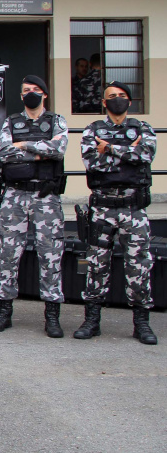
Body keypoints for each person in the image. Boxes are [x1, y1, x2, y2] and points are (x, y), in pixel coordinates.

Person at [75, 81, 157, 345]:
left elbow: (146, 154)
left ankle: (141, 324)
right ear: (103, 102)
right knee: (97, 264)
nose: (117, 100)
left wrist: (109, 148)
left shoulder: (143, 128)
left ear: (129, 102)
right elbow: (92, 162)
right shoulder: (92, 130)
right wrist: (128, 153)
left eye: (122, 96)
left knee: (139, 265)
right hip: (102, 207)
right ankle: (92, 321)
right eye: (112, 97)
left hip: (134, 208)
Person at [0, 75, 68, 337]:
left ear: (45, 94)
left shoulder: (56, 121)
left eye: (36, 90)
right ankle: (4, 312)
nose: (31, 93)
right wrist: (38, 152)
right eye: (26, 90)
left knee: (50, 254)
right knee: (7, 254)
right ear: (21, 95)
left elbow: (58, 149)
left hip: (46, 197)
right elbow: (3, 152)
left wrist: (22, 144)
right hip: (15, 195)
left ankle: (52, 316)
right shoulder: (12, 121)